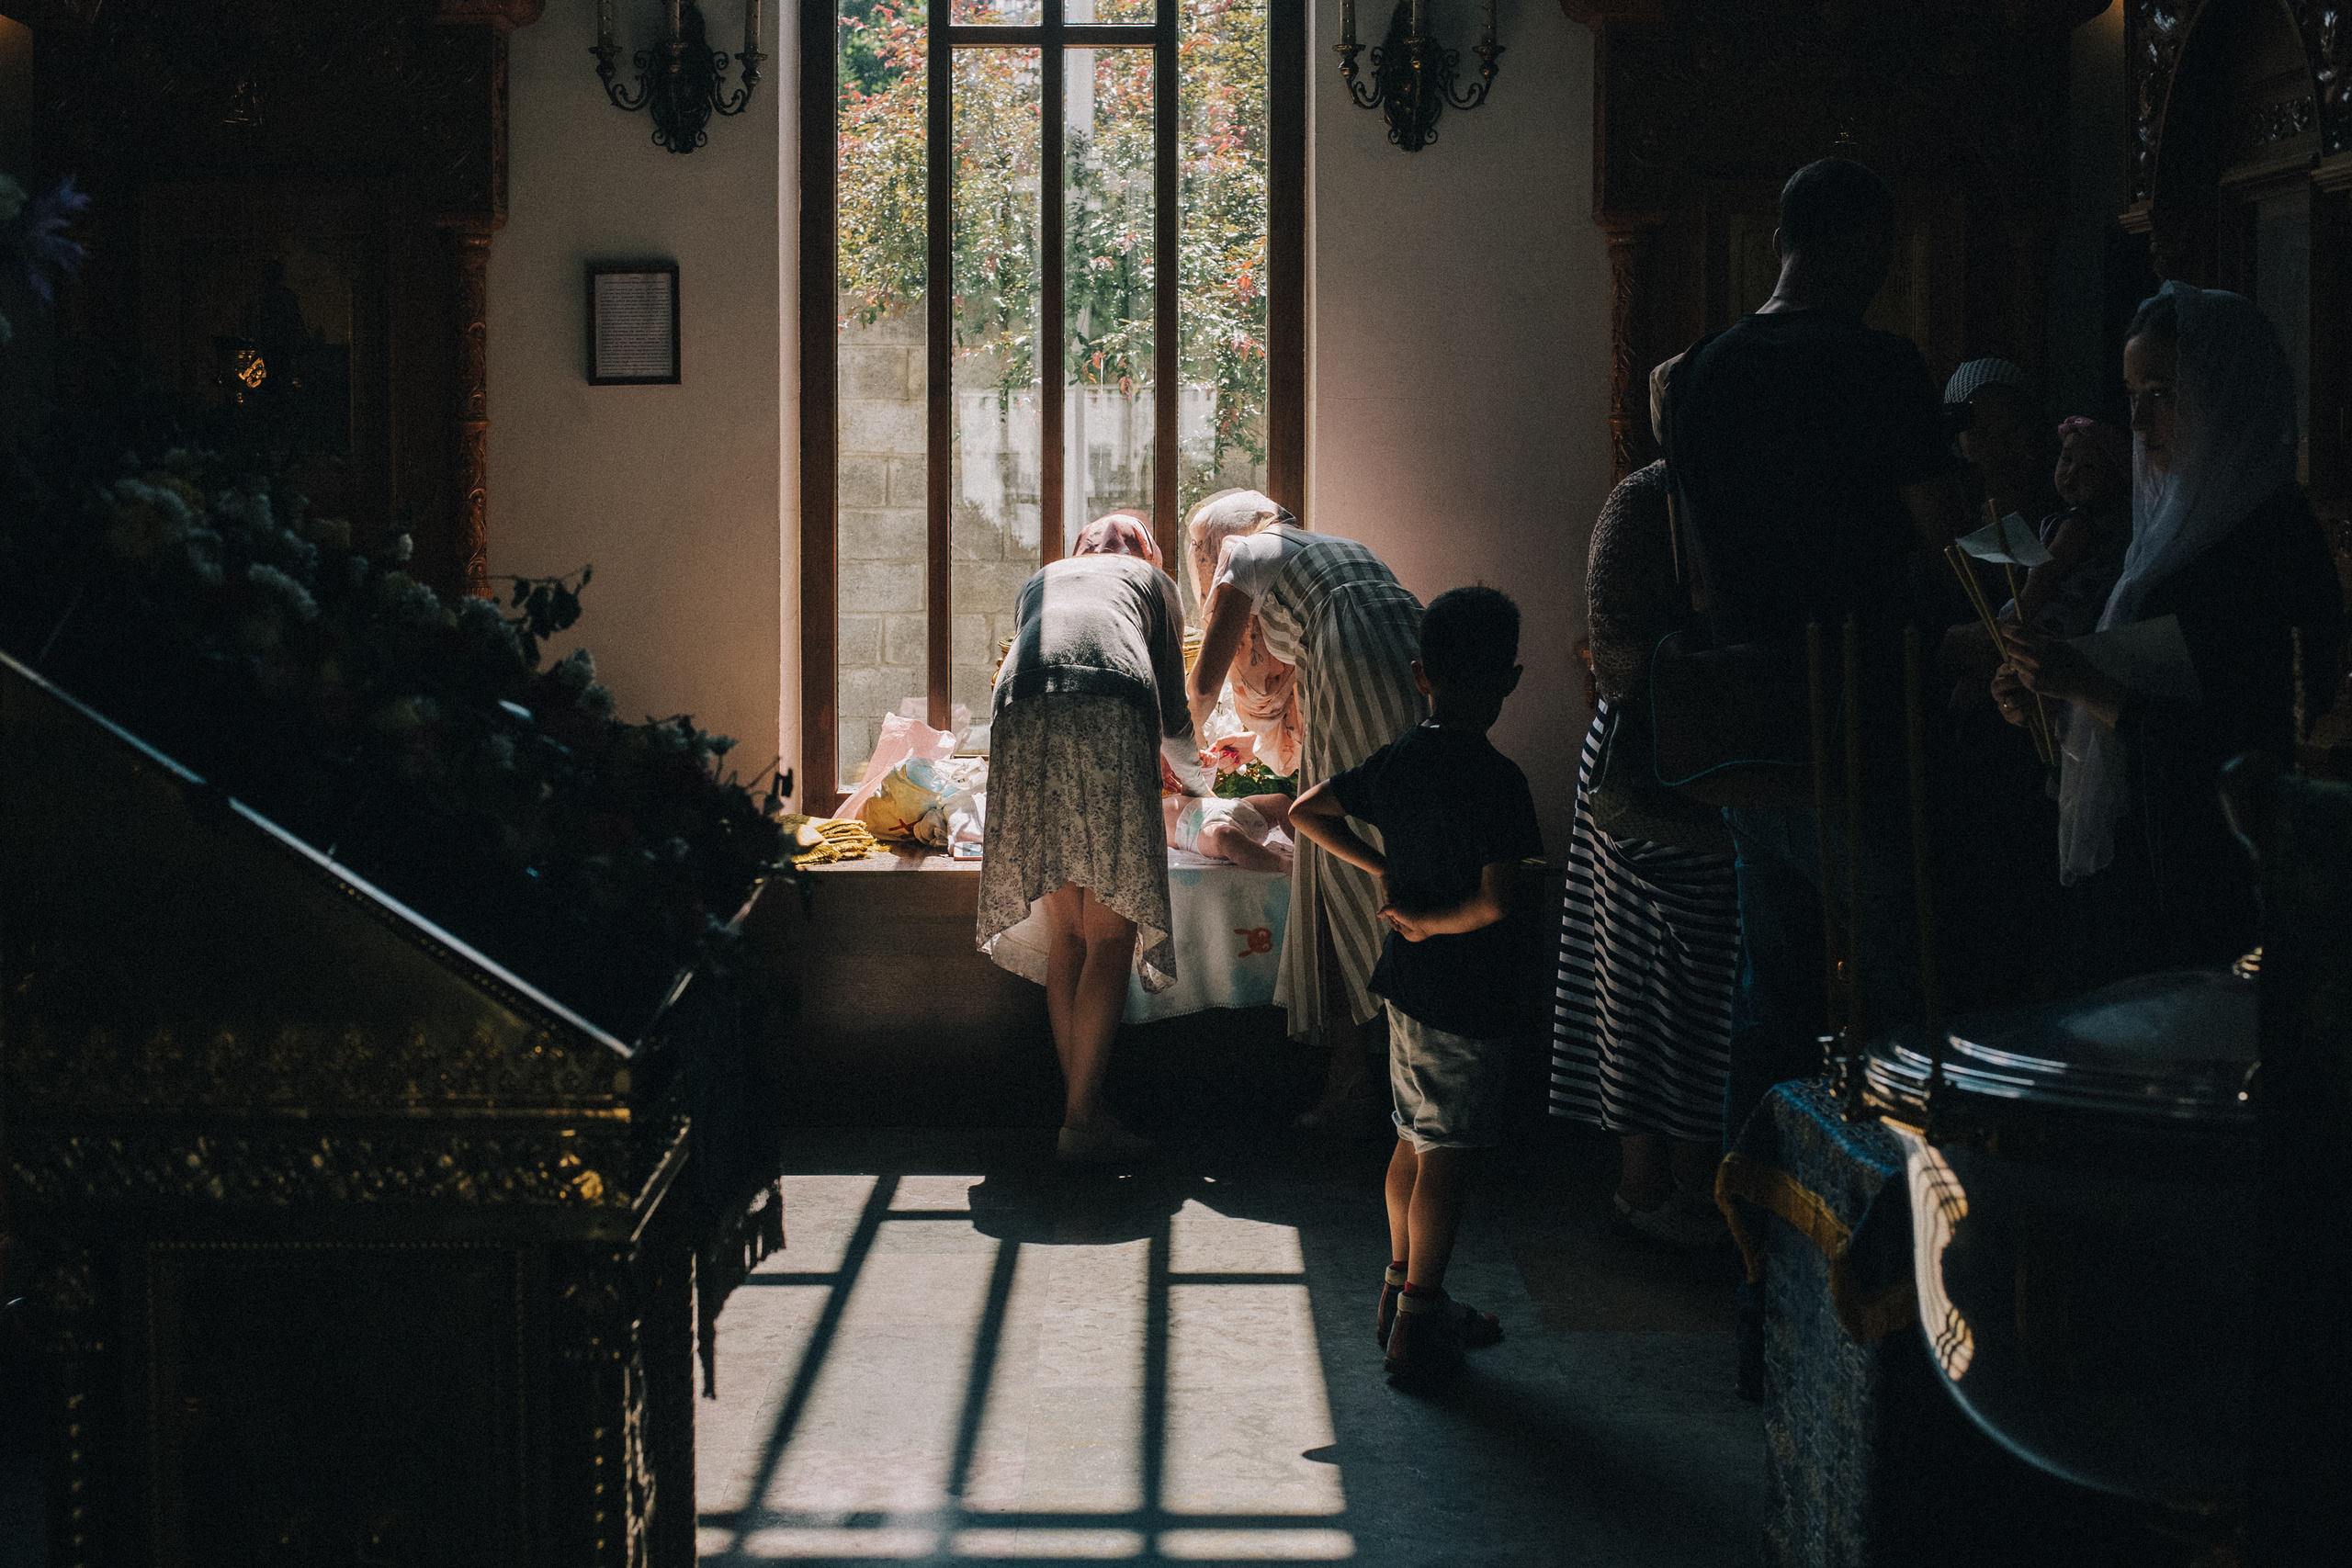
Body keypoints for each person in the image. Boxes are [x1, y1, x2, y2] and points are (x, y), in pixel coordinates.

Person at [1667, 156, 1975, 1398]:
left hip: (1752, 732)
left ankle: (1764, 1297)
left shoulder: (1704, 369)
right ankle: (1900, 1318)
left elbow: (1695, 548)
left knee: (1772, 1007)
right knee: (1904, 1017)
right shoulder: (1877, 365)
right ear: (1853, 243)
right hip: (1868, 716)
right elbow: (1945, 535)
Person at [1995, 283, 2342, 985]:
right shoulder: (2167, 532)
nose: (2141, 421)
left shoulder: (2270, 544)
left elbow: (2245, 736)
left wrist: (2084, 682)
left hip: (2217, 882)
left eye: (2163, 392)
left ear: (2227, 394)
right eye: (2132, 395)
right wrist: (2047, 692)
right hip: (2145, 860)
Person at [1290, 586, 1545, 1385]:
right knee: (1449, 1154)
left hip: (1405, 987)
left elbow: (1307, 810)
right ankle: (1420, 1319)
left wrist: (1384, 869)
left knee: (1411, 1137)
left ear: (1418, 675)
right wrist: (1439, 920)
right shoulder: (1501, 780)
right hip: (1467, 993)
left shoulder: (1397, 759)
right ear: (1509, 680)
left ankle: (1402, 1291)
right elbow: (1500, 899)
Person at [1553, 356, 1739, 1248]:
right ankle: (1657, 1184)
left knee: (1689, 989)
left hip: (1704, 767)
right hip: (1654, 770)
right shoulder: (1647, 502)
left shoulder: (1712, 492)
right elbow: (1620, 660)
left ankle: (1690, 1185)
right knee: (1650, 989)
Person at [978, 513, 1213, 1165]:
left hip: (1022, 716)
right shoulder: (1152, 581)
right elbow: (1172, 708)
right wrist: (1201, 782)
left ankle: (1082, 1111)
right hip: (1109, 711)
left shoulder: (1043, 578)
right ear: (1151, 553)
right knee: (1111, 935)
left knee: (1070, 936)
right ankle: (1081, 1122)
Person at [1187, 512, 1426, 1134]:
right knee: (1408, 829)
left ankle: (1352, 1084)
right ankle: (1419, 1075)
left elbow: (1204, 686)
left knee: (1332, 858)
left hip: (1350, 642)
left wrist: (1178, 755)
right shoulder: (1324, 546)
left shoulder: (1241, 554)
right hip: (1411, 629)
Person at [1182, 490, 1305, 777]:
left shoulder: (1245, 557)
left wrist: (1165, 752)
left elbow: (1202, 690)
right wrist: (1255, 745)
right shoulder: (1300, 552)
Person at [1946, 357, 2060, 526]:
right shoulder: (1944, 512)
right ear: (1957, 439)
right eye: (1981, 433)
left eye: (2012, 431)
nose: (1999, 448)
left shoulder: (2059, 510)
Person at [1163, 791, 1294, 873]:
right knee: (1225, 837)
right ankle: (1279, 862)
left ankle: (1308, 844)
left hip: (1221, 806)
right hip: (1193, 831)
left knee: (1280, 802)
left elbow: (1193, 788)